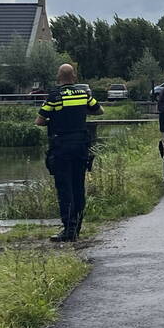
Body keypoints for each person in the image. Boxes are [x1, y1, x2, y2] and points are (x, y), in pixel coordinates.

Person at [36, 64, 103, 242]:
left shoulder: (54, 97)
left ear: (59, 77)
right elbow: (99, 111)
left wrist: (56, 119)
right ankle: (78, 226)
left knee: (64, 188)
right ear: (74, 77)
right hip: (81, 146)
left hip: (62, 147)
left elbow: (39, 121)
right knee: (78, 186)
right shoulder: (84, 95)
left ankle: (69, 228)